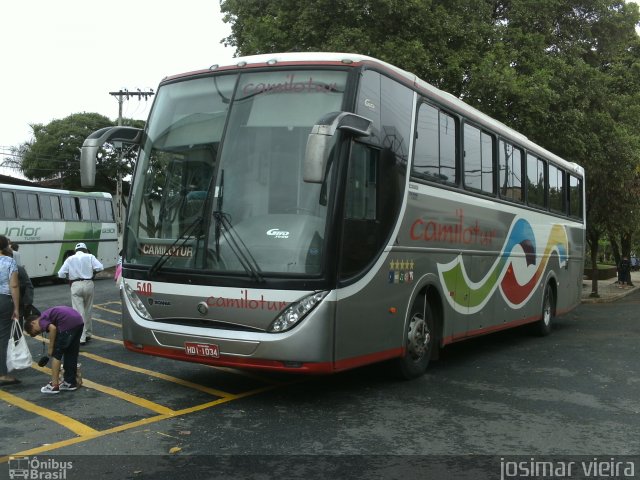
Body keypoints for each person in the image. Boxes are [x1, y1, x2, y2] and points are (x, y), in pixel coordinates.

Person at [25, 306, 84, 394]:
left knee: (56, 355)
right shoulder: (47, 316)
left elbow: (53, 328)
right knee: (71, 353)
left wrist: (51, 347)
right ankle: (70, 382)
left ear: (33, 323)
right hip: (78, 321)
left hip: (67, 324)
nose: (39, 332)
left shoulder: (41, 320)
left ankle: (54, 385)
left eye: (36, 332)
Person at [57, 243, 104, 345]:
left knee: (79, 312)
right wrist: (92, 273)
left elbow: (60, 274)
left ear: (75, 251)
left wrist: (69, 277)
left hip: (76, 284)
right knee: (88, 309)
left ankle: (81, 338)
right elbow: (100, 267)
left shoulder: (70, 259)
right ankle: (88, 333)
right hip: (89, 283)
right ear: (85, 250)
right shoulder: (90, 256)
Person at [0, 235, 21, 387]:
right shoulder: (10, 261)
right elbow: (14, 286)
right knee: (2, 338)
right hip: (4, 300)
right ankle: (2, 374)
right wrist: (16, 307)